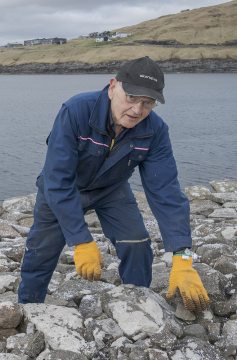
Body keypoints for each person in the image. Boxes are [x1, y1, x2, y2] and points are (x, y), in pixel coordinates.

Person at [17, 57, 210, 313]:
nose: (137, 110)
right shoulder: (76, 111)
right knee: (40, 252)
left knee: (138, 245)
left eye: (148, 103)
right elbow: (57, 178)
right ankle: (27, 310)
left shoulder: (156, 131)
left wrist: (183, 257)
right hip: (63, 188)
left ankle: (138, 305)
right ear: (112, 87)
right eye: (131, 97)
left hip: (111, 190)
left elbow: (166, 192)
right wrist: (81, 240)